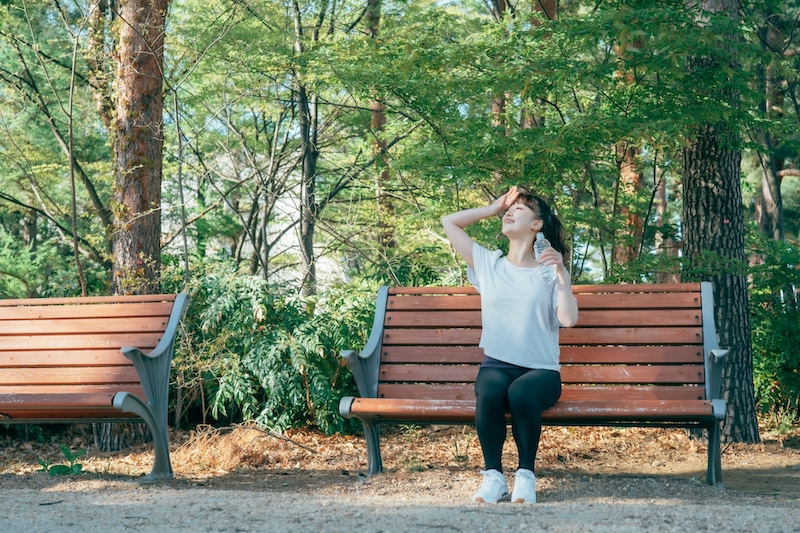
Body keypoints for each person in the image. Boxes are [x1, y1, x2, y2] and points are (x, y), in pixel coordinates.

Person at [441, 185, 579, 504]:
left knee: (520, 391)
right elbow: (449, 221)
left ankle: (526, 476)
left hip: (541, 372)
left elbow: (569, 319)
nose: (510, 211)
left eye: (520, 208)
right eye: (509, 209)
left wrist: (562, 274)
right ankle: (494, 477)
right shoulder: (489, 264)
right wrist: (492, 208)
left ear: (537, 225)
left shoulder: (550, 271)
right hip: (497, 366)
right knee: (489, 390)